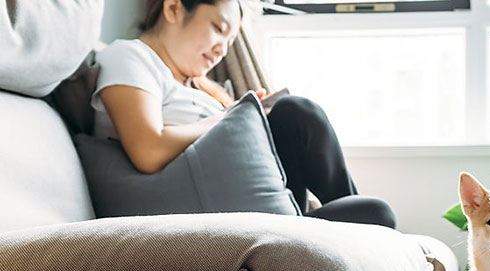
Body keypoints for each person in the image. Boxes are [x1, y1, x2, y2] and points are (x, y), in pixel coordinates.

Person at [91, 0, 396, 228]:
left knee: (372, 213)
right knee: (374, 215)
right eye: (218, 29)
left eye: (229, 41)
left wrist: (253, 118)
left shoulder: (200, 88)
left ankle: (358, 242)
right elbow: (148, 149)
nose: (222, 48)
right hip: (226, 213)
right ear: (173, 9)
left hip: (262, 201)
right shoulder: (131, 56)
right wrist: (230, 118)